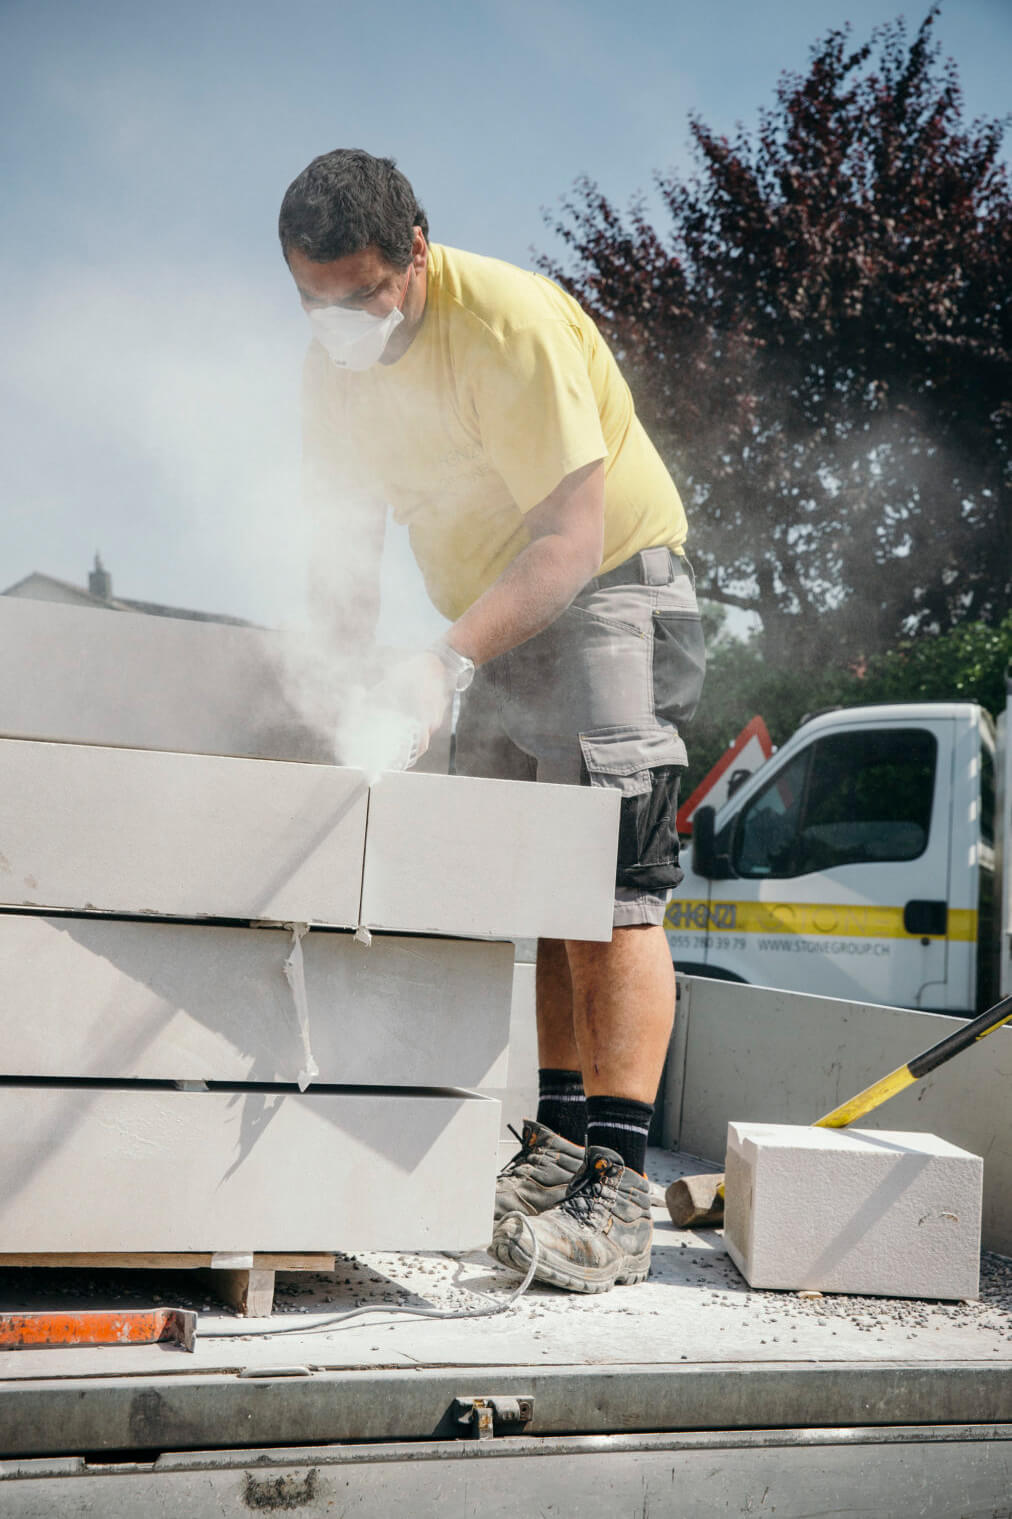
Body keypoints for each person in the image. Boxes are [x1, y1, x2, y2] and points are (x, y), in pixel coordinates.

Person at [280, 149, 705, 1294]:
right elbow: (346, 555)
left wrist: (438, 662)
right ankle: (557, 1144)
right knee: (538, 887)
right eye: (313, 298)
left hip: (609, 587)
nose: (339, 319)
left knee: (613, 889)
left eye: (361, 293)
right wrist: (333, 684)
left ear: (414, 252)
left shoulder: (507, 324)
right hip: (490, 614)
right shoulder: (334, 371)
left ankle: (616, 1197)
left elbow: (567, 543)